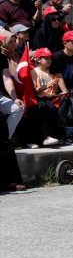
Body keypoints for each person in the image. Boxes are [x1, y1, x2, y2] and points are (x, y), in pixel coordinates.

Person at [0, 31, 26, 191]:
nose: (13, 43)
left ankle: (11, 181)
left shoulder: (1, 58)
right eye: (10, 41)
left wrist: (14, 96)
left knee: (17, 108)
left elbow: (6, 78)